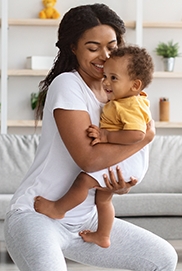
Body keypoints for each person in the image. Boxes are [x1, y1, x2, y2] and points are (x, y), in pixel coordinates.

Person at [3, 4, 177, 271]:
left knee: (161, 259)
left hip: (84, 220)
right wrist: (143, 139)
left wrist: (120, 185)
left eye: (111, 46)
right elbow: (88, 157)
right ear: (72, 48)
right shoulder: (68, 85)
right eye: (92, 47)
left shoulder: (118, 92)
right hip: (37, 214)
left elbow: (108, 164)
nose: (103, 57)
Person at [33, 45, 155, 249]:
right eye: (106, 76)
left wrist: (106, 135)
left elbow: (137, 135)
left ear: (135, 85)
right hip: (128, 161)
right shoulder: (127, 100)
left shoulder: (130, 105)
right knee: (104, 199)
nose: (105, 82)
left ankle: (58, 208)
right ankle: (103, 235)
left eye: (113, 78)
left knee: (83, 181)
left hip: (126, 159)